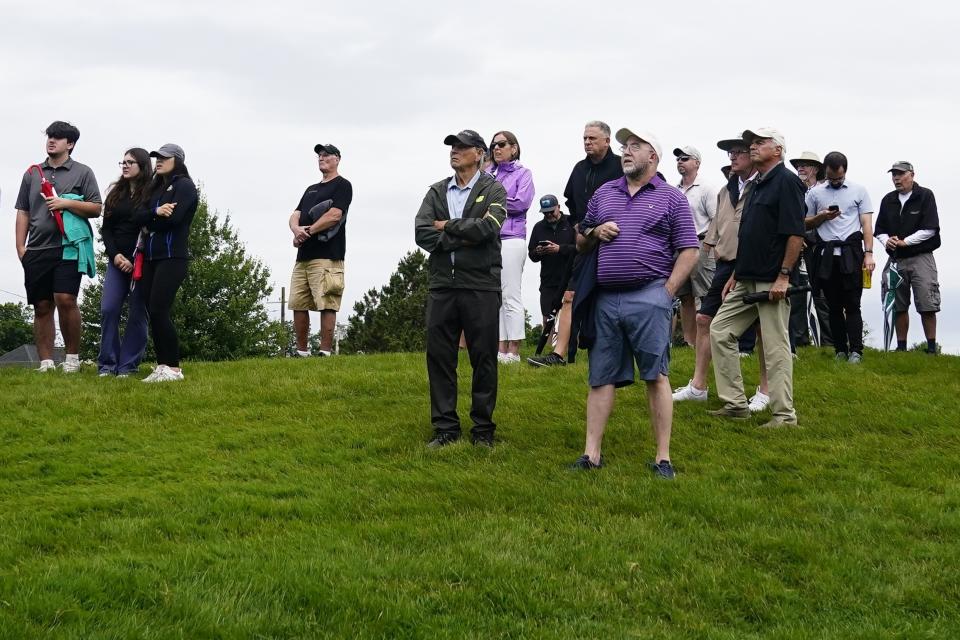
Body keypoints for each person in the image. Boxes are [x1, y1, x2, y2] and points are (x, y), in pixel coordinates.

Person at [570, 128, 699, 479]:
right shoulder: (605, 192)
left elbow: (689, 248)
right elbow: (581, 240)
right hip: (605, 298)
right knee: (600, 377)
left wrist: (667, 292)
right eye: (625, 146)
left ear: (652, 157)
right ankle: (591, 454)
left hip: (650, 295)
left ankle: (662, 459)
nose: (626, 152)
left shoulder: (671, 198)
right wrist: (595, 233)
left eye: (635, 147)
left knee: (656, 375)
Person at [414, 130, 507, 447]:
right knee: (439, 358)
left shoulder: (493, 188)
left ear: (480, 153)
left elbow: (488, 229)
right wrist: (461, 234)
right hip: (442, 285)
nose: (454, 151)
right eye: (452, 146)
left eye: (462, 147)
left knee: (483, 359)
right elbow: (421, 232)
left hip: (481, 285)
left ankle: (482, 429)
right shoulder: (437, 191)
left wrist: (446, 226)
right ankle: (445, 429)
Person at [709, 128, 806, 428]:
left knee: (776, 347)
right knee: (720, 331)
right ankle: (736, 404)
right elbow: (750, 233)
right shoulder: (757, 184)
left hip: (772, 280)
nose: (752, 146)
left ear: (777, 150)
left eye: (760, 142)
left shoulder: (787, 181)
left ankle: (784, 416)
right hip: (746, 277)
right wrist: (736, 274)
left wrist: (784, 276)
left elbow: (795, 233)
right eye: (751, 143)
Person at [673, 136, 771, 412]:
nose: (733, 156)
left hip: (754, 264)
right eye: (731, 152)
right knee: (704, 318)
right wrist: (707, 253)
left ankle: (765, 390)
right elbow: (715, 229)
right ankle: (698, 387)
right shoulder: (727, 190)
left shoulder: (762, 187)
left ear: (753, 156)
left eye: (739, 151)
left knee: (762, 325)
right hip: (724, 263)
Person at [15, 121, 102, 373]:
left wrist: (64, 203)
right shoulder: (31, 173)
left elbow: (96, 207)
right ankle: (46, 363)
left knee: (65, 299)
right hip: (37, 248)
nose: (52, 140)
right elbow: (23, 210)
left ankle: (72, 360)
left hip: (69, 246)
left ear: (70, 144)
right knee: (42, 306)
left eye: (58, 137)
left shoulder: (83, 172)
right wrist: (21, 247)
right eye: (50, 136)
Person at [804, 151, 874, 363]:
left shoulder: (859, 190)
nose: (835, 182)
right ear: (825, 172)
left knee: (852, 303)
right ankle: (839, 349)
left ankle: (856, 350)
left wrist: (868, 254)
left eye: (839, 178)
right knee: (833, 305)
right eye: (832, 178)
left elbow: (866, 224)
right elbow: (804, 222)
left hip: (851, 252)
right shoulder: (815, 193)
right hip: (826, 254)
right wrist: (821, 217)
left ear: (845, 172)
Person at [139, 144, 199, 383]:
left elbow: (174, 219)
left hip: (173, 256)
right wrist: (155, 212)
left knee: (159, 309)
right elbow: (137, 215)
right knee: (152, 311)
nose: (159, 161)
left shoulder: (184, 185)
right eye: (157, 157)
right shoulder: (155, 188)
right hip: (152, 258)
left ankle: (173, 368)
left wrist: (150, 220)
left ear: (178, 160)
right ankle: (162, 365)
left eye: (165, 157)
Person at [287, 143, 353, 357]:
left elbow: (335, 215)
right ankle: (302, 352)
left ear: (337, 159)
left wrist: (309, 231)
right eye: (319, 155)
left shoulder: (343, 185)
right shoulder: (310, 189)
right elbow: (295, 214)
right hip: (303, 257)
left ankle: (324, 352)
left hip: (328, 256)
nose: (321, 158)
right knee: (298, 303)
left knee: (327, 303)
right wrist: (297, 230)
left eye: (326, 155)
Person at [874, 161, 941, 353]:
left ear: (911, 175)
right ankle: (901, 348)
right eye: (894, 174)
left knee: (927, 302)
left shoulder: (925, 195)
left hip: (921, 257)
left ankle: (931, 347)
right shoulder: (888, 200)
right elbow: (879, 229)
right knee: (898, 303)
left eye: (900, 174)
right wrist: (887, 240)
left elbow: (930, 229)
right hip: (896, 258)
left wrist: (906, 241)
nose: (896, 178)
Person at [97, 148, 152, 377]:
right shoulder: (115, 192)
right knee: (109, 308)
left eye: (131, 162)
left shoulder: (152, 193)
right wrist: (115, 255)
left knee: (138, 313)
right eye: (123, 162)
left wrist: (133, 259)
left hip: (142, 261)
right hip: (117, 260)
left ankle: (127, 366)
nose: (125, 165)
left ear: (142, 165)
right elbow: (106, 229)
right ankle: (107, 365)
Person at [488, 131, 534, 363]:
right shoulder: (487, 174)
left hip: (512, 238)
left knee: (511, 293)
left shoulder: (523, 173)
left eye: (502, 144)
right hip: (489, 239)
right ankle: (500, 349)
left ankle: (514, 351)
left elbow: (521, 203)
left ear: (514, 148)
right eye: (494, 145)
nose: (496, 148)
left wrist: (492, 202)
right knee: (496, 295)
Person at [673, 145, 717, 347]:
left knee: (705, 293)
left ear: (697, 163)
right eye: (678, 159)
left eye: (685, 158)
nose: (680, 161)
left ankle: (709, 339)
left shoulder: (706, 188)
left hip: (701, 243)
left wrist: (708, 244)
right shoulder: (674, 190)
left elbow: (717, 219)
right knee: (685, 296)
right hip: (679, 246)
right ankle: (690, 341)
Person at [526, 194, 576, 367]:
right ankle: (548, 350)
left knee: (568, 310)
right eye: (545, 213)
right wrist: (538, 252)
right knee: (547, 314)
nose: (549, 215)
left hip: (570, 275)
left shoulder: (571, 222)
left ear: (559, 207)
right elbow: (531, 254)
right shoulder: (539, 227)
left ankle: (564, 348)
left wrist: (559, 249)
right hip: (548, 277)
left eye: (551, 211)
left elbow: (579, 248)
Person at [790, 150, 832, 348]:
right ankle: (800, 339)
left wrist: (807, 239)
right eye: (798, 164)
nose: (801, 168)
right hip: (795, 247)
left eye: (805, 164)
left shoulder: (826, 190)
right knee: (797, 294)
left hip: (819, 247)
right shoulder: (793, 189)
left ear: (816, 169)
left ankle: (827, 341)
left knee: (822, 295)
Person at [563, 121, 623, 225]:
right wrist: (576, 224)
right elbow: (570, 200)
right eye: (585, 138)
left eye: (592, 138)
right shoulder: (579, 169)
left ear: (607, 141)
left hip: (615, 234)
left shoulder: (622, 166)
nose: (587, 142)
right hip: (585, 235)